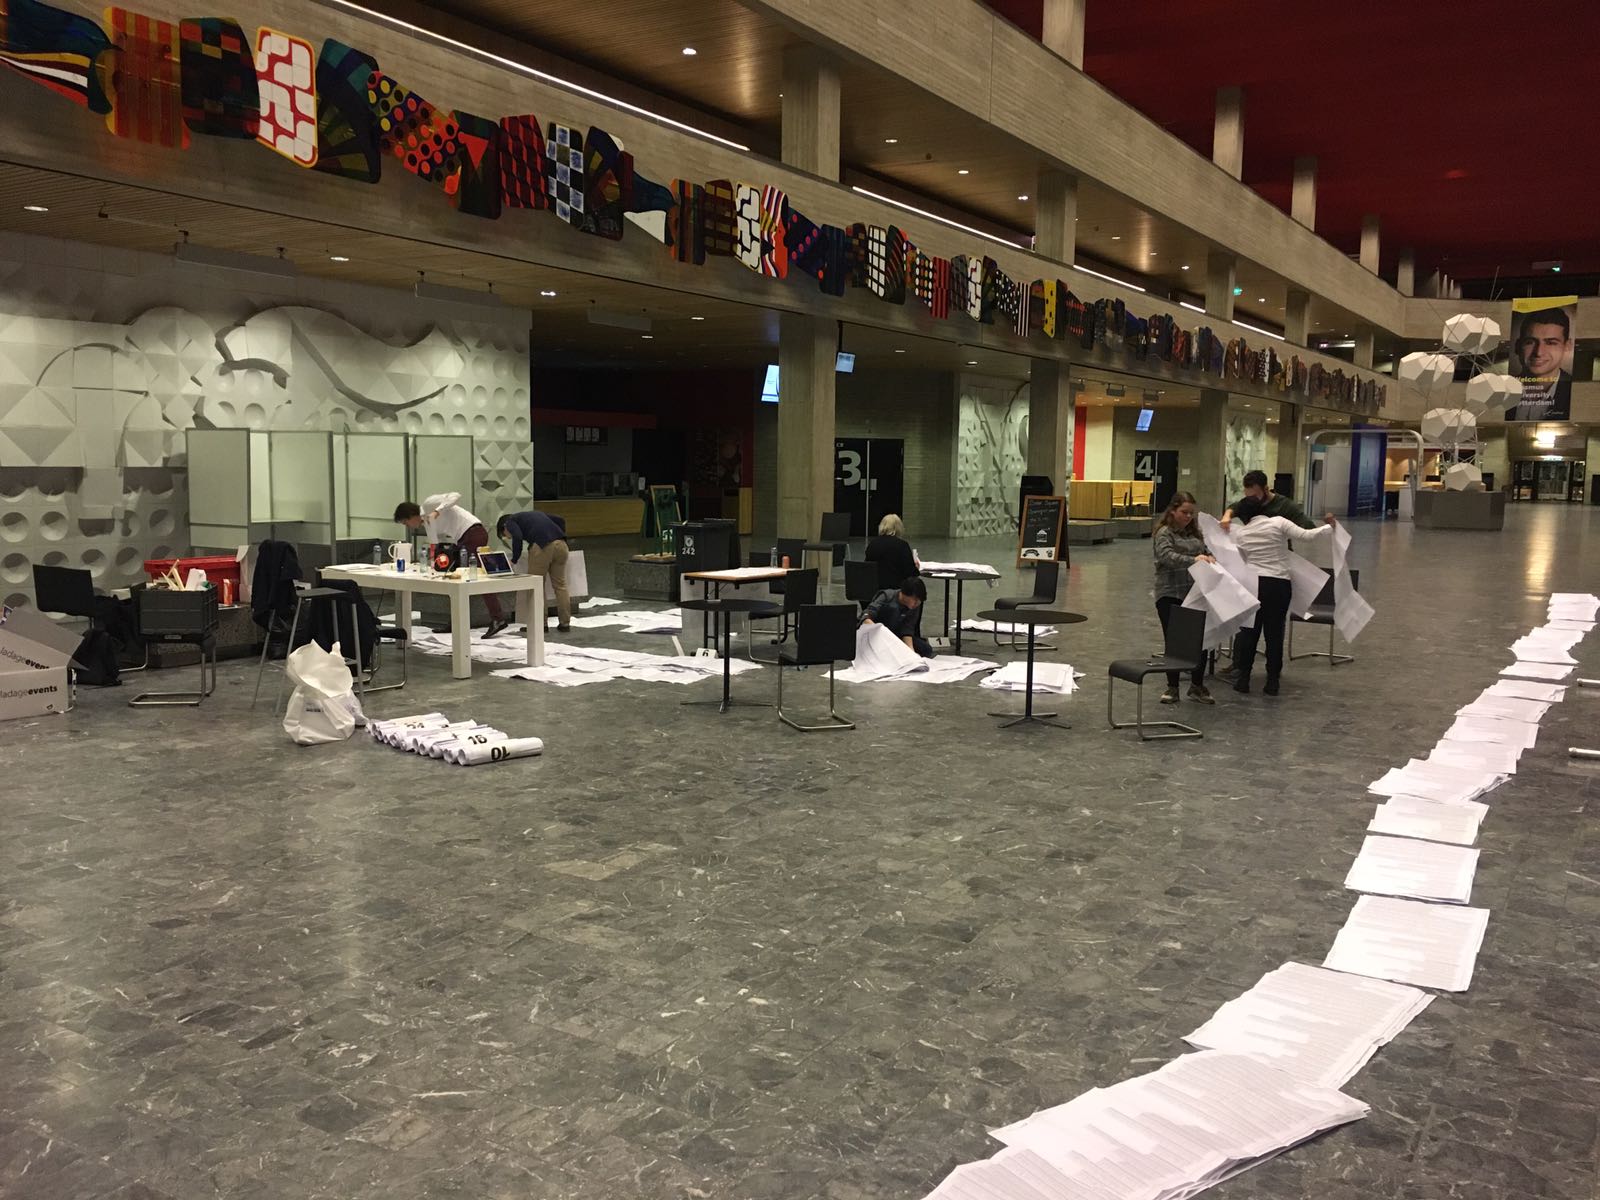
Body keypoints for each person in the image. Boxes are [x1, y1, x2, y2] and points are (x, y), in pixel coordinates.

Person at [1228, 495, 1336, 696]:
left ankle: (1243, 680)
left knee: (1249, 633)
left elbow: (1244, 560)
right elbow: (1307, 535)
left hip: (1252, 585)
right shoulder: (1278, 522)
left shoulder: (1242, 534)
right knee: (1274, 634)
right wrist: (1330, 527)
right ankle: (1272, 682)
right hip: (1278, 584)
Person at [394, 493, 510, 637]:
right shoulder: (427, 523)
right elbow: (434, 544)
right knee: (455, 578)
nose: (408, 527)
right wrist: (433, 564)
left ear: (411, 516)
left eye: (406, 523)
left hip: (473, 532)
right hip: (462, 539)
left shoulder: (429, 504)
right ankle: (457, 621)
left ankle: (497, 618)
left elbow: (455, 496)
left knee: (475, 576)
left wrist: (437, 511)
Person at [1151, 491, 1216, 705]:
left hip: (1195, 592)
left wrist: (1211, 557)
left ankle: (1197, 685)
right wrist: (1193, 560)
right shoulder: (1164, 533)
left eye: (1191, 513)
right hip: (1170, 592)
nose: (1188, 516)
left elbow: (1206, 550)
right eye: (1184, 512)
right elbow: (1166, 556)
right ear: (1173, 510)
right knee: (1175, 641)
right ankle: (1173, 687)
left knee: (1200, 639)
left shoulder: (1195, 533)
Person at [496, 510, 571, 633]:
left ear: (504, 527)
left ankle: (540, 624)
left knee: (537, 587)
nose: (508, 537)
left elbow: (517, 537)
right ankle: (565, 623)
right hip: (562, 545)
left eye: (505, 535)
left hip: (542, 548)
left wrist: (514, 559)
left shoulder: (510, 521)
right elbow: (560, 519)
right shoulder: (535, 515)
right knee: (560, 586)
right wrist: (559, 536)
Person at [1510, 308, 1574, 418]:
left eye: (1551, 343)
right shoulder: (1502, 390)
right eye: (1530, 342)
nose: (1538, 352)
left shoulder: (1576, 392)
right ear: (1517, 346)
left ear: (1567, 346)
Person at [861, 575, 933, 658]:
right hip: (878, 635)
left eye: (919, 601)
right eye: (915, 600)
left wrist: (911, 651)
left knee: (926, 649)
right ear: (905, 594)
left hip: (897, 636)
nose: (917, 604)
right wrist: (882, 633)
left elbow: (907, 629)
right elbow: (866, 617)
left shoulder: (914, 606)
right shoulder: (886, 596)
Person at [1219, 470, 1315, 531]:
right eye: (1249, 496)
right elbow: (1234, 507)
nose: (1251, 500)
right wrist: (1227, 516)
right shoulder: (1247, 503)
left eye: (1255, 496)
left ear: (1266, 489)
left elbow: (1308, 526)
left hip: (1277, 551)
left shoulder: (1285, 506)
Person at [864, 513, 918, 591]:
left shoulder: (872, 544)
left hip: (874, 589)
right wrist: (916, 568)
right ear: (899, 528)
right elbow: (911, 573)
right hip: (896, 589)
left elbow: (867, 568)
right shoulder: (902, 545)